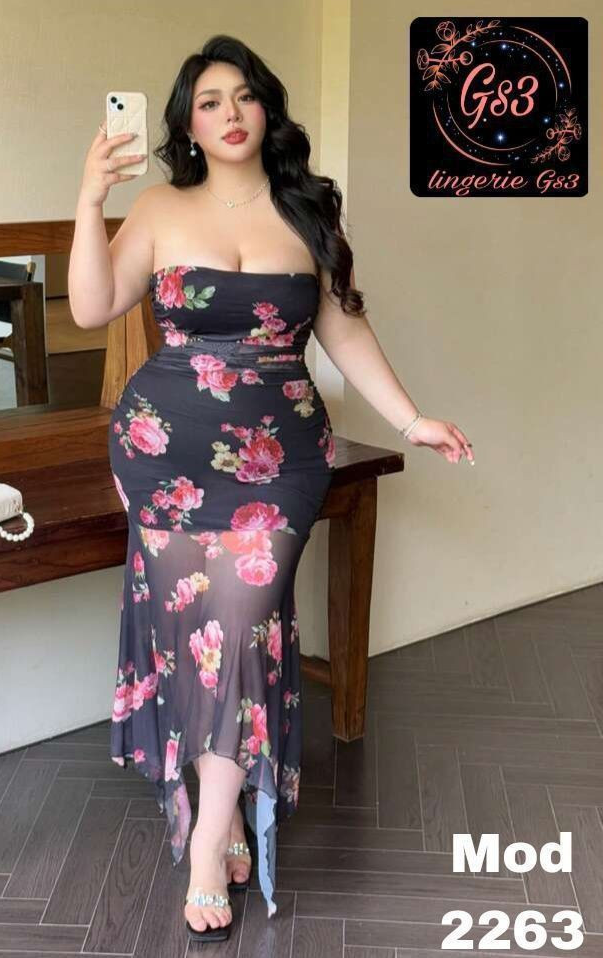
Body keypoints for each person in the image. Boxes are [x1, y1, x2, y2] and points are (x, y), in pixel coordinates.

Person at [68, 34, 474, 943]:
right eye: (210, 102)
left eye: (244, 96)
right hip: (163, 451)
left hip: (280, 461)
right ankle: (217, 816)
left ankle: (206, 839)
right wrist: (91, 200)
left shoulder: (306, 211)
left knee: (241, 627)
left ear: (267, 110)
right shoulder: (159, 208)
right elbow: (92, 307)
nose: (230, 114)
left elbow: (344, 329)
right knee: (193, 636)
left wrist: (411, 418)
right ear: (188, 123)